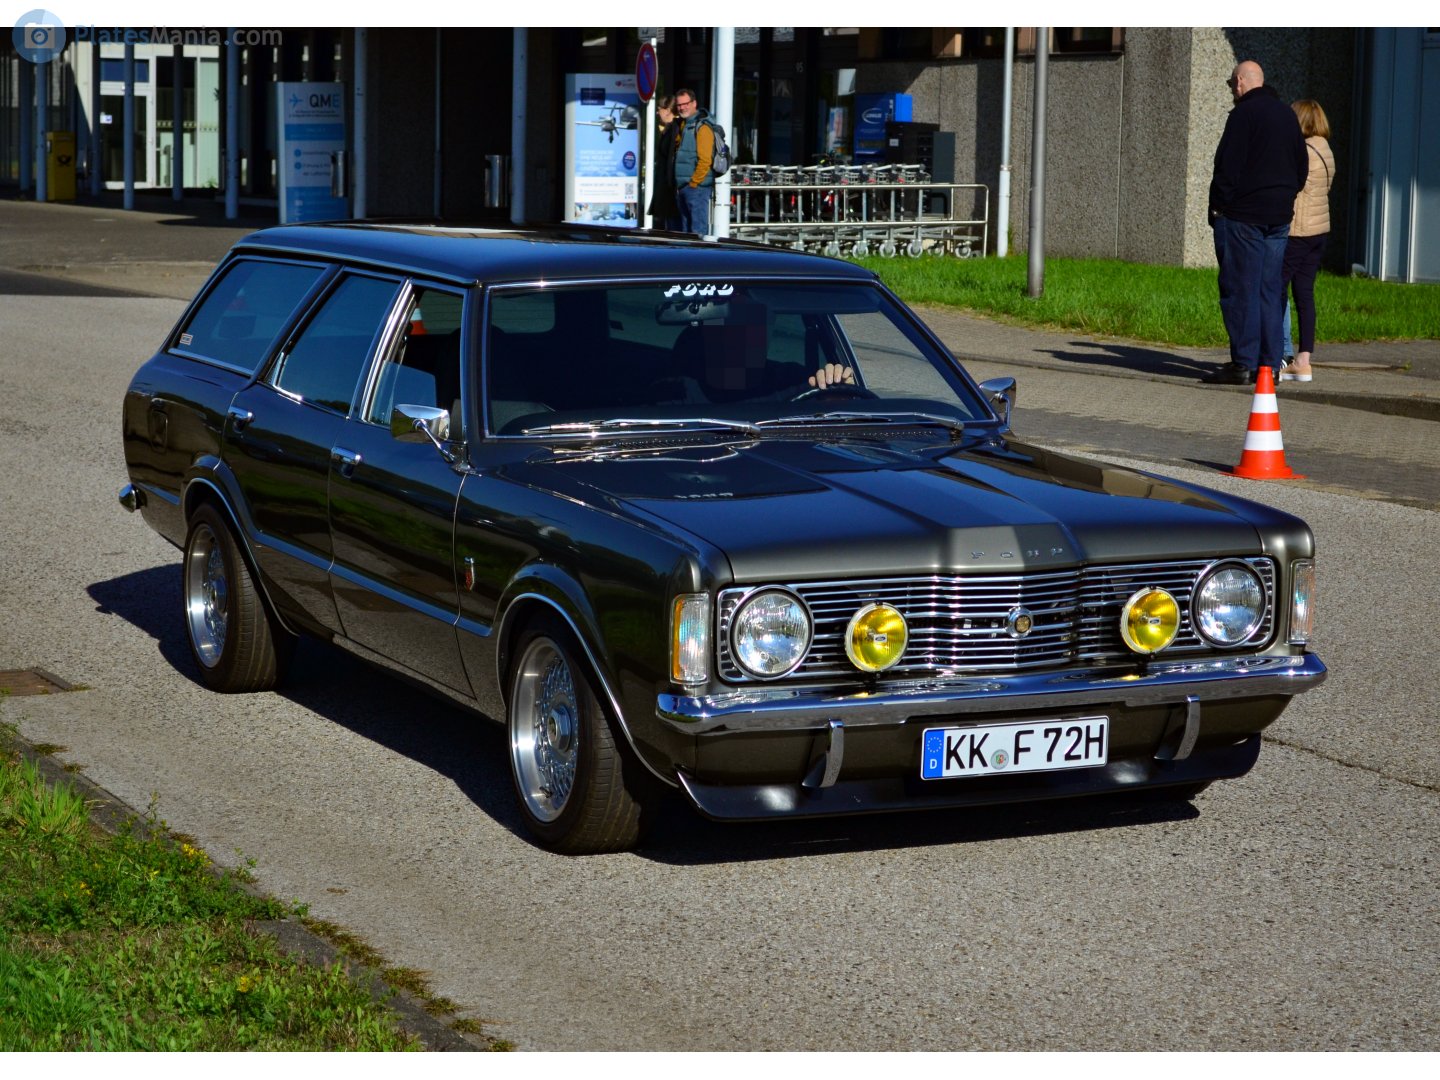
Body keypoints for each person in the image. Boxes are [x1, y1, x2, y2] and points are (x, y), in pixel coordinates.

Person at [1203, 60, 1309, 386]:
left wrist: (1219, 206)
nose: (1232, 92)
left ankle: (1243, 364)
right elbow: (1301, 167)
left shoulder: (1242, 116)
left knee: (1240, 289)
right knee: (1269, 290)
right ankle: (1270, 365)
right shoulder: (1287, 116)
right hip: (1278, 218)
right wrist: (1285, 197)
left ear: (1239, 83)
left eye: (1231, 86)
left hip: (1243, 217)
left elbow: (1227, 168)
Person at [1279, 99, 1335, 383]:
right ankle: (1304, 361)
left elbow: (1290, 186)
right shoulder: (1325, 149)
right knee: (1304, 294)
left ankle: (1276, 353)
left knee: (1274, 287)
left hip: (1298, 231)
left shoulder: (1304, 152)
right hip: (1319, 230)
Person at [671, 88, 715, 236]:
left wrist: (694, 183)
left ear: (694, 103)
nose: (682, 107)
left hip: (697, 189)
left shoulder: (702, 127)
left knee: (697, 233)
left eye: (686, 103)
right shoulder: (685, 125)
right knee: (686, 234)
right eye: (679, 105)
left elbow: (705, 160)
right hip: (684, 187)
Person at [646, 95, 680, 230]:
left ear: (667, 111)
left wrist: (670, 182)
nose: (657, 112)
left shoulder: (674, 130)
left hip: (669, 185)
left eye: (659, 109)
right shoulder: (669, 129)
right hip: (667, 184)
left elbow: (671, 157)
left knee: (673, 225)